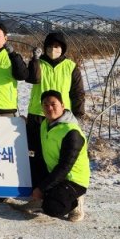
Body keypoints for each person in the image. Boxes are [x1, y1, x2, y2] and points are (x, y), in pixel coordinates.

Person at [25, 32, 86, 187]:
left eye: (57, 46)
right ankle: (37, 189)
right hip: (38, 114)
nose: (53, 49)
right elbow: (32, 78)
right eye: (50, 46)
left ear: (63, 49)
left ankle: (60, 187)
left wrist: (78, 115)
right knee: (37, 153)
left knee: (58, 155)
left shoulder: (70, 67)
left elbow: (77, 93)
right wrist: (34, 60)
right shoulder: (38, 63)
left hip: (61, 119)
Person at [24, 89, 89, 221]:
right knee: (29, 162)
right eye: (45, 105)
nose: (49, 108)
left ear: (63, 106)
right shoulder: (45, 124)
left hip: (73, 179)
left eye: (53, 104)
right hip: (53, 172)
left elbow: (64, 167)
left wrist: (41, 189)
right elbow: (35, 145)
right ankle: (47, 196)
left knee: (52, 207)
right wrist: (21, 124)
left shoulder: (71, 132)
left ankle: (76, 201)